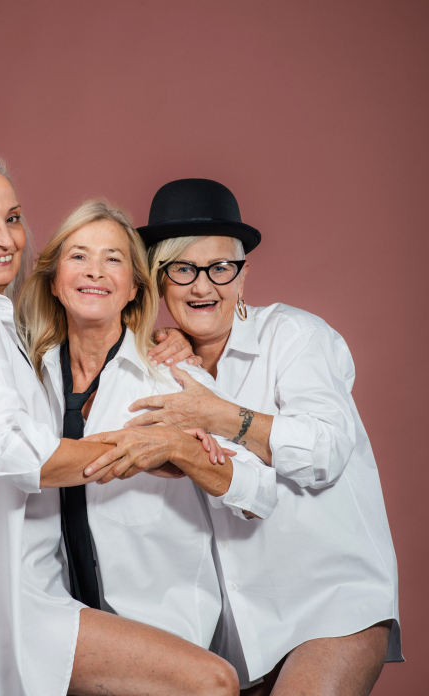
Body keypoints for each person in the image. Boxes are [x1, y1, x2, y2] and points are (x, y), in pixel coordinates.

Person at [0, 155, 240, 696]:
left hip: (43, 589)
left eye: (13, 218)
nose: (4, 238)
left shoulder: (12, 338)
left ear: (136, 284)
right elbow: (23, 455)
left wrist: (172, 451)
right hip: (2, 590)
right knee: (209, 683)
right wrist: (146, 444)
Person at [114, 177, 401, 695]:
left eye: (222, 268)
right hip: (232, 635)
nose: (204, 286)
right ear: (158, 281)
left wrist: (220, 414)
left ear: (243, 277)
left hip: (332, 606)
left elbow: (324, 451)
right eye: (184, 269)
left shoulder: (295, 336)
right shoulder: (161, 366)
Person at [16, 199, 276, 653]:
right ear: (55, 281)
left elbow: (261, 494)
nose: (95, 271)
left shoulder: (175, 377)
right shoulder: (22, 380)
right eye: (78, 256)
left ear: (135, 287)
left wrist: (180, 448)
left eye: (113, 259)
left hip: (168, 632)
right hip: (55, 629)